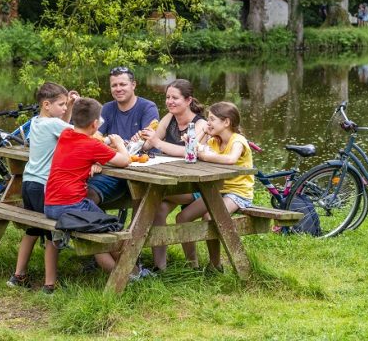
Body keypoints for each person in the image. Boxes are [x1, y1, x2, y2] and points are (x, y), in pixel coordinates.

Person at [43, 97, 150, 291]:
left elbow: (87, 143)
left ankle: (130, 272)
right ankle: (131, 275)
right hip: (72, 206)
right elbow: (124, 160)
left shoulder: (66, 134)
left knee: (99, 227)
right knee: (112, 230)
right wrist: (118, 142)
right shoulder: (92, 146)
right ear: (94, 124)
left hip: (50, 205)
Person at [163, 102, 254, 271]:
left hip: (237, 192)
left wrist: (203, 156)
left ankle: (215, 264)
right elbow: (191, 151)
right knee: (182, 218)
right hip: (215, 191)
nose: (207, 123)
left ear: (226, 122)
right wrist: (201, 134)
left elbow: (231, 159)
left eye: (211, 119)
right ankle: (192, 265)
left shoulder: (237, 141)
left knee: (210, 216)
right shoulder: (213, 141)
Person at [7, 82, 79, 291]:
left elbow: (61, 129)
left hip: (29, 183)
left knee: (32, 230)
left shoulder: (38, 122)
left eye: (66, 105)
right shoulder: (54, 125)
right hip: (45, 186)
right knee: (51, 234)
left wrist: (71, 106)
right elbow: (81, 133)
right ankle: (50, 284)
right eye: (62, 105)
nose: (65, 109)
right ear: (47, 104)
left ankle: (18, 275)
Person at [140, 79, 208, 270]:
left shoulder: (200, 124)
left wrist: (158, 143)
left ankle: (192, 264)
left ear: (188, 100)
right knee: (159, 209)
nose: (170, 101)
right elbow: (149, 144)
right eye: (168, 97)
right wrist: (143, 139)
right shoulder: (169, 118)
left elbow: (190, 151)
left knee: (151, 194)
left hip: (197, 186)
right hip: (173, 182)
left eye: (175, 98)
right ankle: (159, 266)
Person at [87, 66, 160, 206]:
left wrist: (112, 144)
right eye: (114, 85)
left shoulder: (148, 107)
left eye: (123, 84)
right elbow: (94, 137)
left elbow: (146, 143)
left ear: (133, 85)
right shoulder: (107, 108)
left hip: (142, 173)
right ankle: (92, 222)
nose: (118, 89)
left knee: (89, 191)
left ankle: (90, 222)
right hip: (113, 168)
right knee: (76, 185)